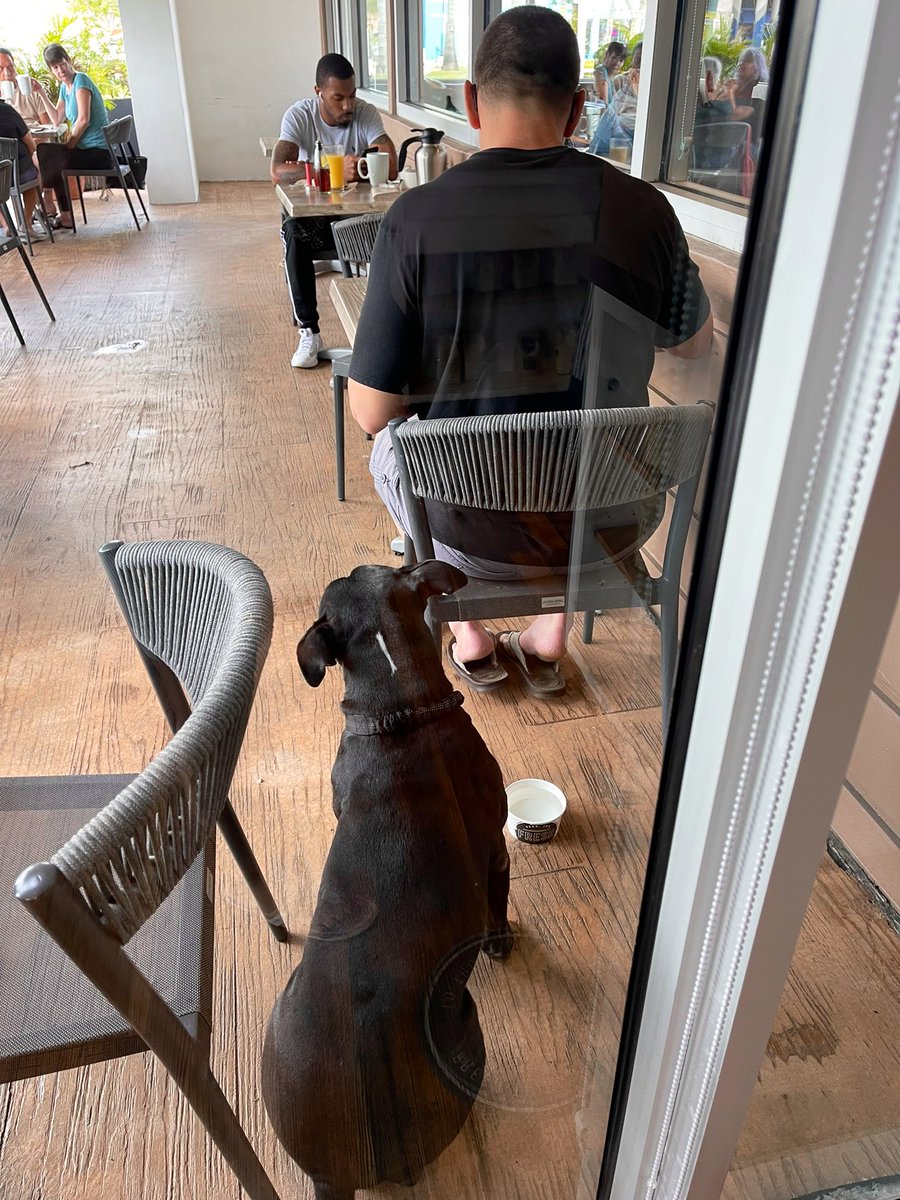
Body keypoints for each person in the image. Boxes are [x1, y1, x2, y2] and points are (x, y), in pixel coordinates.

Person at [347, 6, 711, 697]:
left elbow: (371, 410)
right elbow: (693, 344)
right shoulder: (645, 211)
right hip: (611, 527)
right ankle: (549, 635)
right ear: (577, 109)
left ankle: (471, 633)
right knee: (587, 448)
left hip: (470, 534)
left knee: (388, 447)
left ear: (473, 104)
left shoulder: (415, 221)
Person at [271, 53, 398, 368]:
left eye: (352, 96)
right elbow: (278, 170)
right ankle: (310, 333)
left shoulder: (365, 114)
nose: (347, 106)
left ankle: (383, 337)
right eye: (338, 97)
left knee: (398, 231)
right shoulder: (299, 116)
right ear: (318, 93)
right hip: (317, 220)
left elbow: (391, 164)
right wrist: (327, 168)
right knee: (293, 235)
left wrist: (371, 164)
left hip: (358, 218)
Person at [35, 43, 110, 232]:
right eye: (55, 68)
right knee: (50, 156)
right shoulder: (64, 88)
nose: (60, 70)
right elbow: (57, 119)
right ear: (51, 70)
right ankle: (60, 212)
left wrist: (69, 145)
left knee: (49, 154)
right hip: (85, 149)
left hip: (98, 152)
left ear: (68, 60)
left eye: (62, 64)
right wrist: (41, 93)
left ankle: (49, 203)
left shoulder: (81, 81)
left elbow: (83, 120)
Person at [588, 40, 641, 157]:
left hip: (627, 137)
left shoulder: (640, 86)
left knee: (609, 116)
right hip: (614, 132)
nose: (617, 63)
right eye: (614, 58)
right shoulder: (603, 74)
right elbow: (605, 103)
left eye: (621, 60)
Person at [0, 98, 43, 239]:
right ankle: (26, 223)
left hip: (1, 180)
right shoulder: (8, 110)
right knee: (38, 174)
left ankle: (7, 225)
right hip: (19, 174)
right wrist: (32, 155)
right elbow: (29, 143)